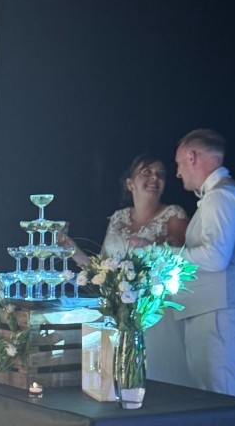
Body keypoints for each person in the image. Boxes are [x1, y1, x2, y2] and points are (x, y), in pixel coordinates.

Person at [65, 156, 190, 385]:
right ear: (129, 183)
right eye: (147, 172)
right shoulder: (118, 217)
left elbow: (182, 261)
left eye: (160, 174)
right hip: (118, 311)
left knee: (159, 376)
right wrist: (73, 251)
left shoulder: (173, 214)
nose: (155, 177)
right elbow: (101, 269)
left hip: (156, 312)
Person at [173, 129, 235, 397]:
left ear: (192, 156)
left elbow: (215, 257)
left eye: (178, 164)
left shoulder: (221, 196)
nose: (178, 173)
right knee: (216, 397)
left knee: (222, 399)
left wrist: (165, 255)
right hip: (214, 311)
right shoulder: (220, 195)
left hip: (220, 313)